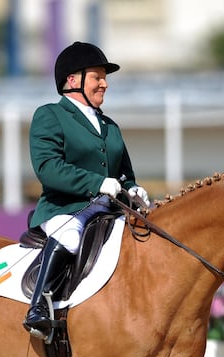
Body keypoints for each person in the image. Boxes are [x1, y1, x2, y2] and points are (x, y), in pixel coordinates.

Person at [23, 41, 150, 339]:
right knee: (69, 237)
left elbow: (124, 174)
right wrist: (96, 183)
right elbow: (48, 168)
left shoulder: (109, 125)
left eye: (104, 78)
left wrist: (135, 190)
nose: (104, 84)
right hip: (66, 209)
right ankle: (39, 306)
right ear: (72, 80)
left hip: (108, 210)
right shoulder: (50, 115)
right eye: (97, 77)